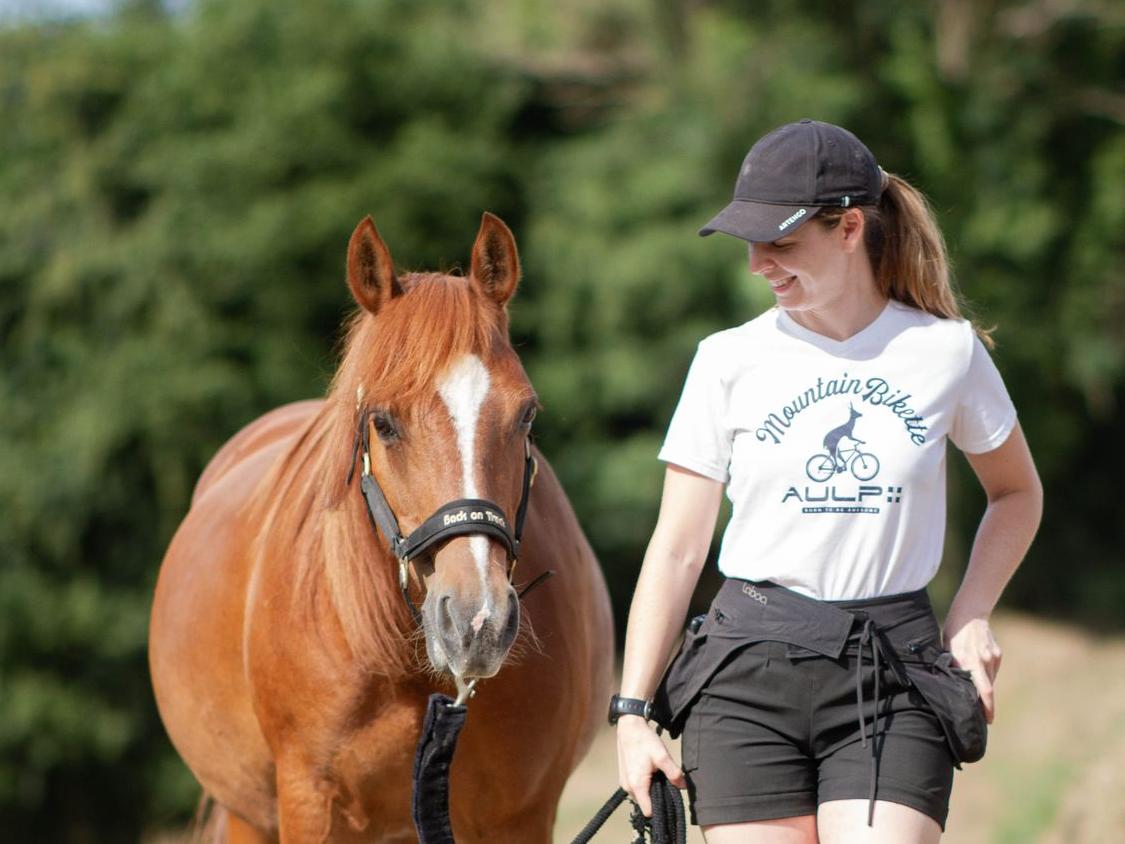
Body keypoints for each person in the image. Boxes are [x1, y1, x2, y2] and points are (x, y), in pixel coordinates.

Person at [611, 119, 1043, 844]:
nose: (757, 266)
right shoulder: (725, 360)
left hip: (892, 674)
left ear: (848, 229)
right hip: (744, 674)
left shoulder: (945, 352)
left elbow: (1016, 493)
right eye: (749, 244)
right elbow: (678, 548)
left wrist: (969, 612)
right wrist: (630, 715)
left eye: (779, 244)